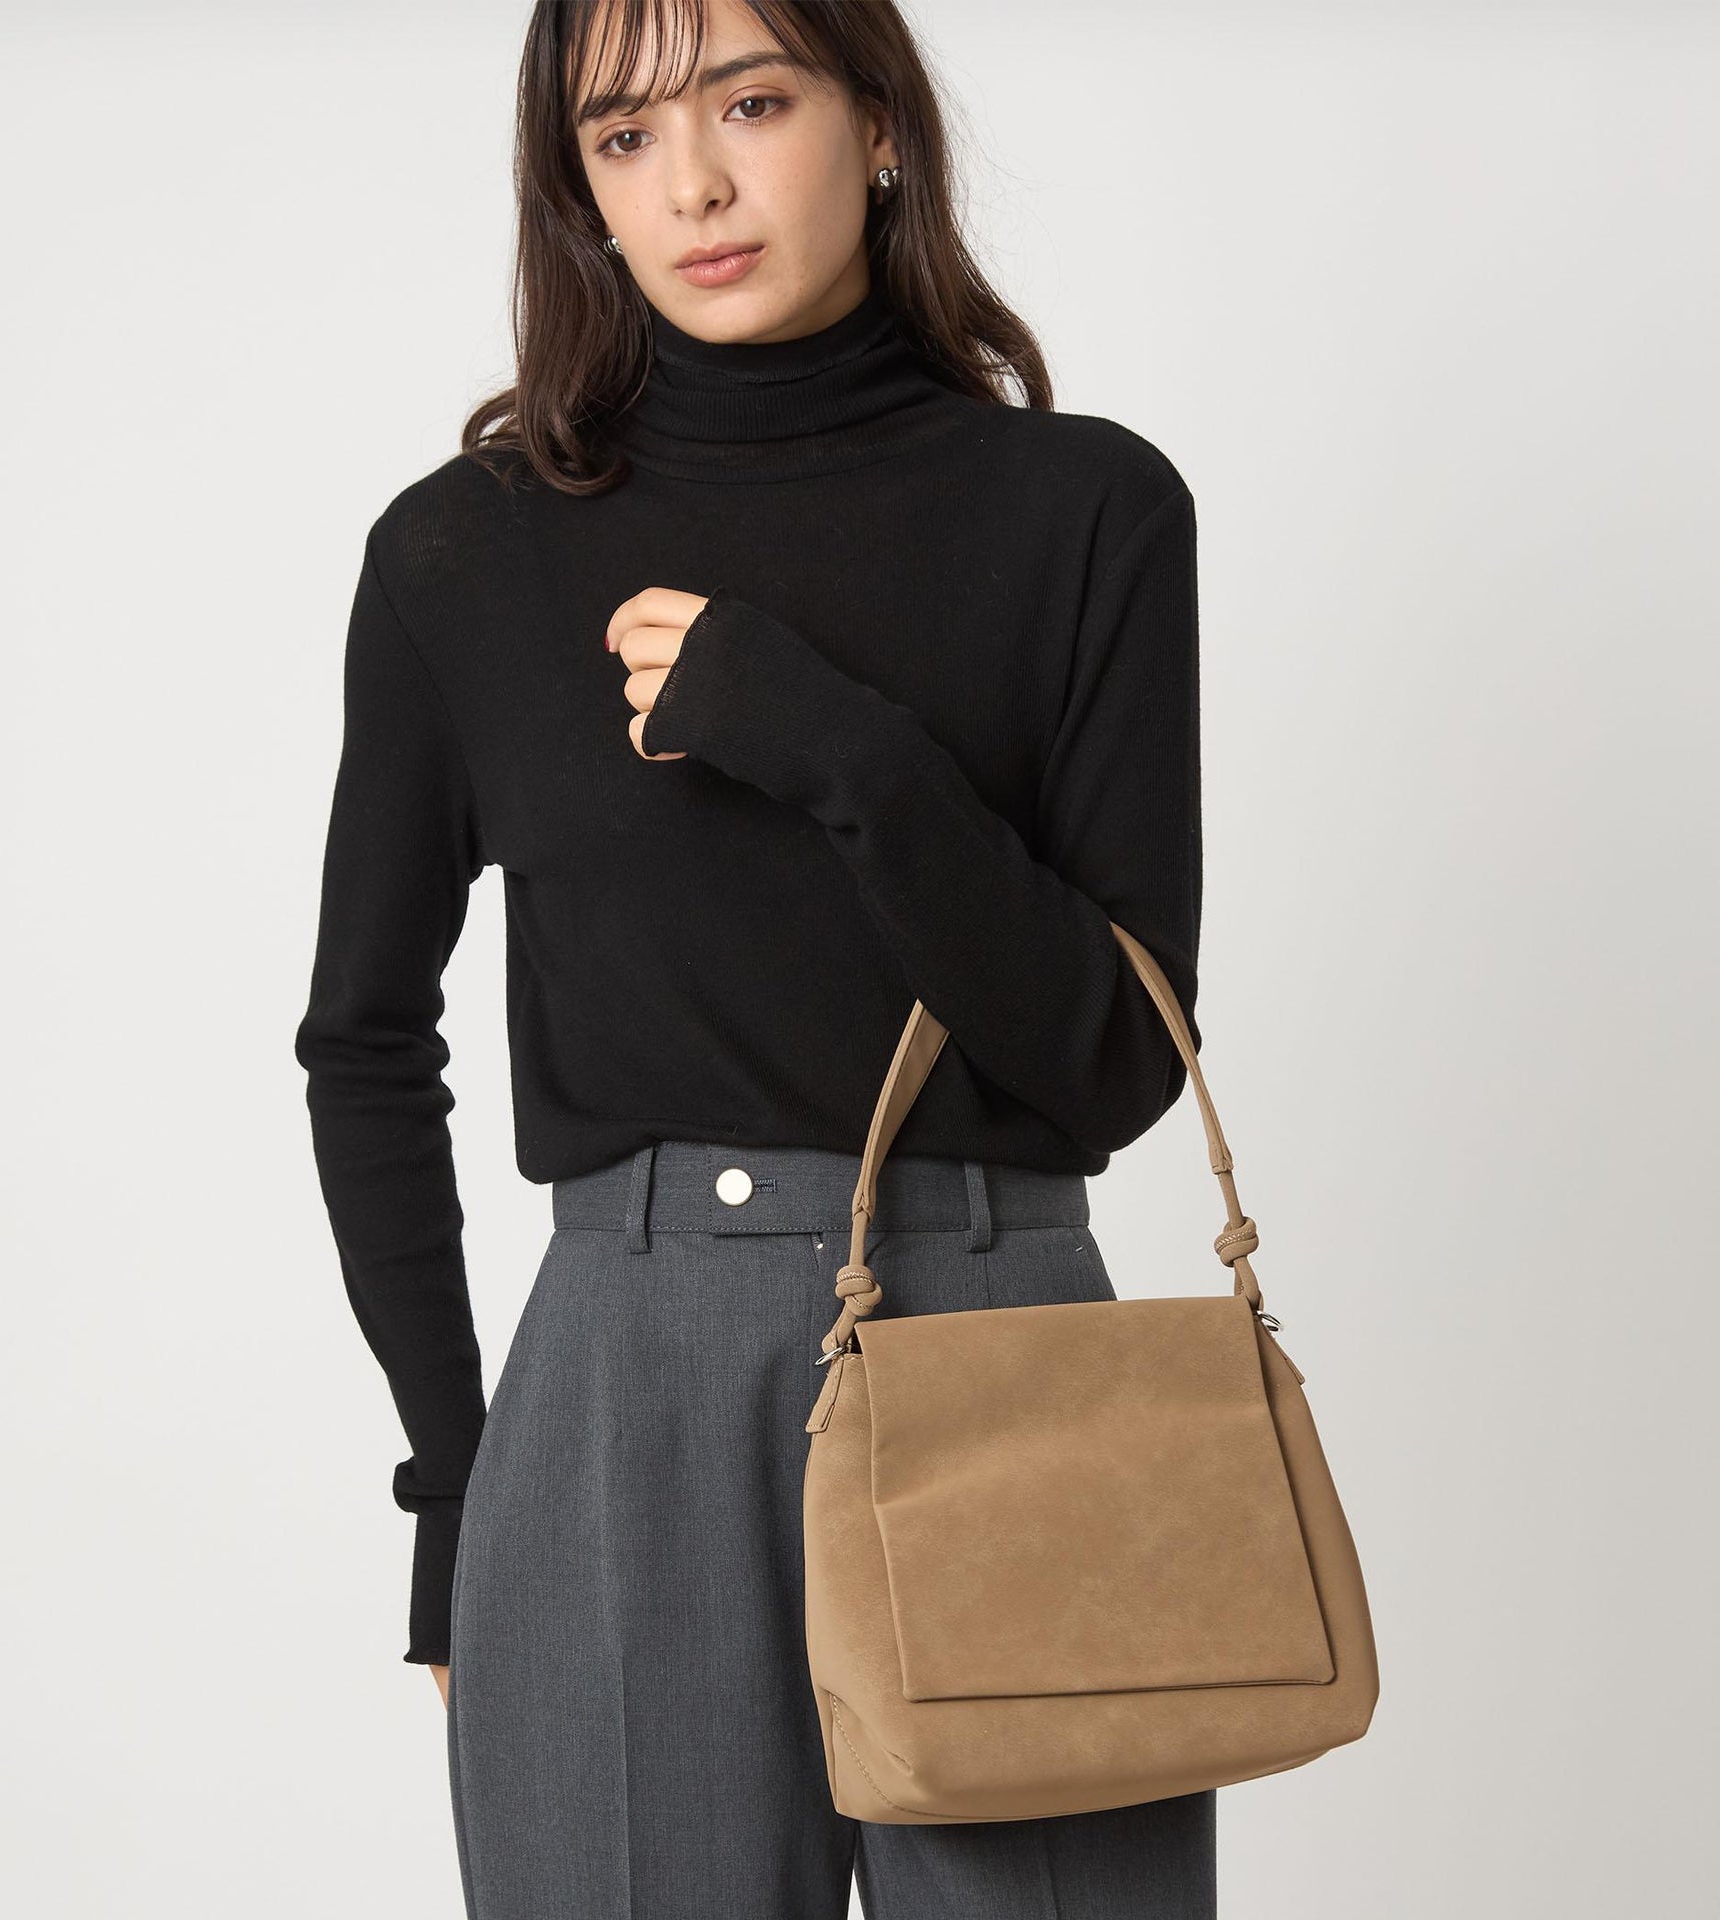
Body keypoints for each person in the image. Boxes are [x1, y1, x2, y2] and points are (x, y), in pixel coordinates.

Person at [293, 0, 1213, 1912]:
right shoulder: (464, 555)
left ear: (877, 124)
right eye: (624, 138)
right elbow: (365, 1038)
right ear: (578, 192)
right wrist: (455, 1483)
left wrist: (832, 744)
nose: (695, 183)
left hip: (1003, 1343)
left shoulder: (1088, 512)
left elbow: (1117, 1065)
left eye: (753, 102)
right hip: (621, 1387)